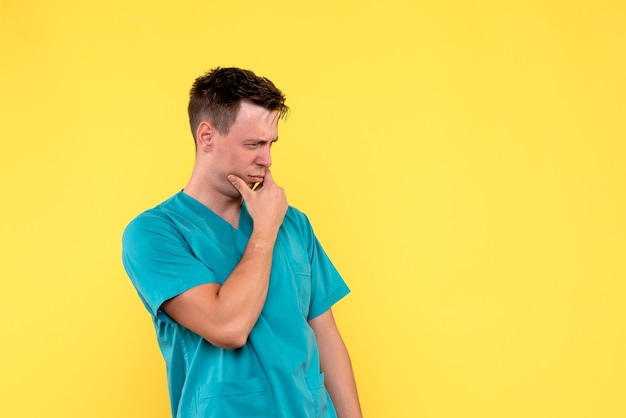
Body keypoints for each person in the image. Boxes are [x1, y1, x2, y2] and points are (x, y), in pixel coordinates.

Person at [122, 67, 362, 417]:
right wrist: (264, 231)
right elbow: (228, 327)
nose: (266, 160)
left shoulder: (294, 224)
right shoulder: (155, 234)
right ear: (207, 136)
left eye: (270, 144)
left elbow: (326, 337)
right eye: (253, 144)